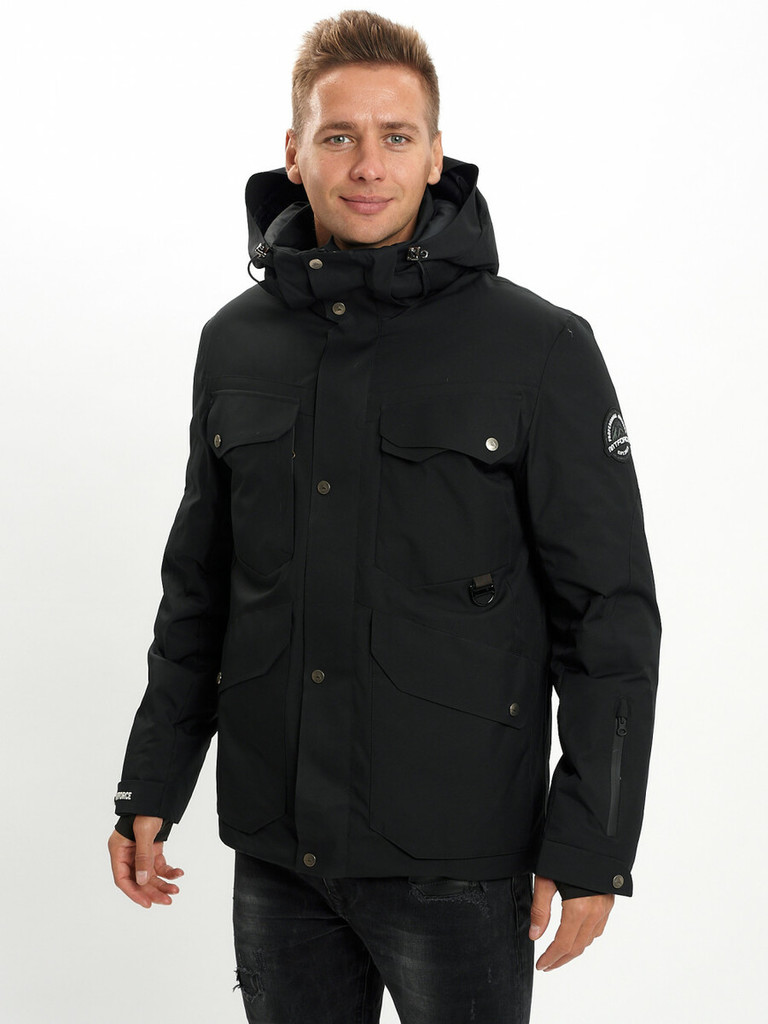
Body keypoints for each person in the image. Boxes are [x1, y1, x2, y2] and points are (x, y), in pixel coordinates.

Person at [108, 10, 660, 1023]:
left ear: (436, 153)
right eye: (340, 135)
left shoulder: (538, 349)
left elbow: (611, 617)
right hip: (278, 850)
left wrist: (594, 842)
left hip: (459, 857)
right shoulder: (235, 344)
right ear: (294, 152)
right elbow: (201, 588)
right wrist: (151, 781)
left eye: (396, 136)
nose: (368, 165)